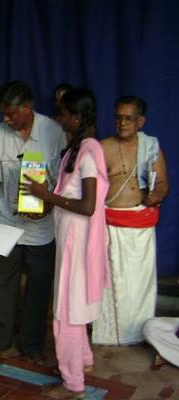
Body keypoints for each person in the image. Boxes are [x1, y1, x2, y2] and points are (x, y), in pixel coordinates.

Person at [21, 88, 110, 399]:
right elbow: (68, 199)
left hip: (79, 244)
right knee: (73, 306)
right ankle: (82, 361)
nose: (58, 119)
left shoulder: (90, 151)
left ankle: (73, 385)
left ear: (76, 117)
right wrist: (44, 201)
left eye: (62, 113)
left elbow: (87, 206)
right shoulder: (77, 149)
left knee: (67, 313)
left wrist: (47, 196)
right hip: (70, 242)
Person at [0, 80, 66, 364]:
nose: (6, 119)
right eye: (4, 113)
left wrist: (51, 203)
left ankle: (32, 344)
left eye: (12, 113)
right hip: (6, 220)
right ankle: (0, 338)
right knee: (2, 283)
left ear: (28, 109)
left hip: (42, 228)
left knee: (38, 287)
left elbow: (65, 175)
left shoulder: (54, 132)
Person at [92, 96, 169, 345]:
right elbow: (89, 186)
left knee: (138, 283)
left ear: (140, 121)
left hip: (139, 224)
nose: (122, 123)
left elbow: (164, 182)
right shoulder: (102, 147)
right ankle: (108, 335)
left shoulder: (151, 147)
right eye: (118, 117)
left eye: (128, 118)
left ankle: (136, 334)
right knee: (108, 283)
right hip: (108, 224)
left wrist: (157, 194)